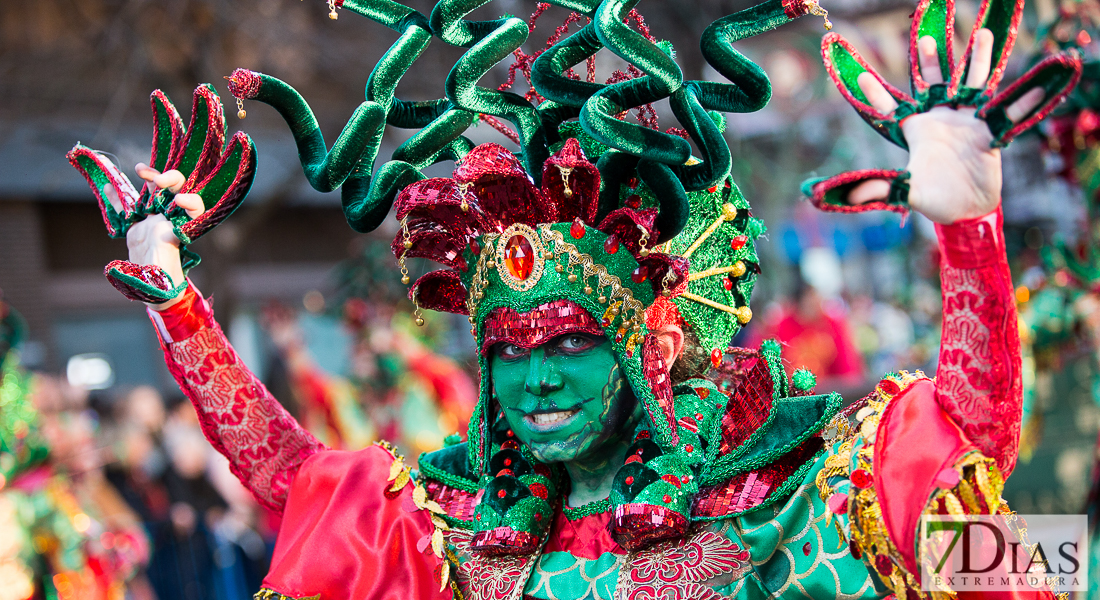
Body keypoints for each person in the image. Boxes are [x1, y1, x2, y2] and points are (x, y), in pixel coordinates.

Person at [67, 0, 1082, 597]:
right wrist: (174, 297)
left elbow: (963, 448)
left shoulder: (785, 494)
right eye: (506, 350)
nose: (536, 378)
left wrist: (966, 231)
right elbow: (296, 483)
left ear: (643, 342)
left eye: (566, 342)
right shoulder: (461, 534)